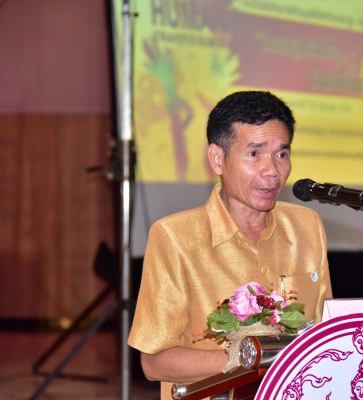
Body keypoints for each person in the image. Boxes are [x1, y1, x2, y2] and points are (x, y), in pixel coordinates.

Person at [128, 90, 332, 398]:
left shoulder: (307, 226)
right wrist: (248, 359)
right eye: (254, 154)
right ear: (217, 159)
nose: (272, 171)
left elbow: (324, 334)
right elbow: (154, 363)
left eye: (281, 154)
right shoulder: (174, 237)